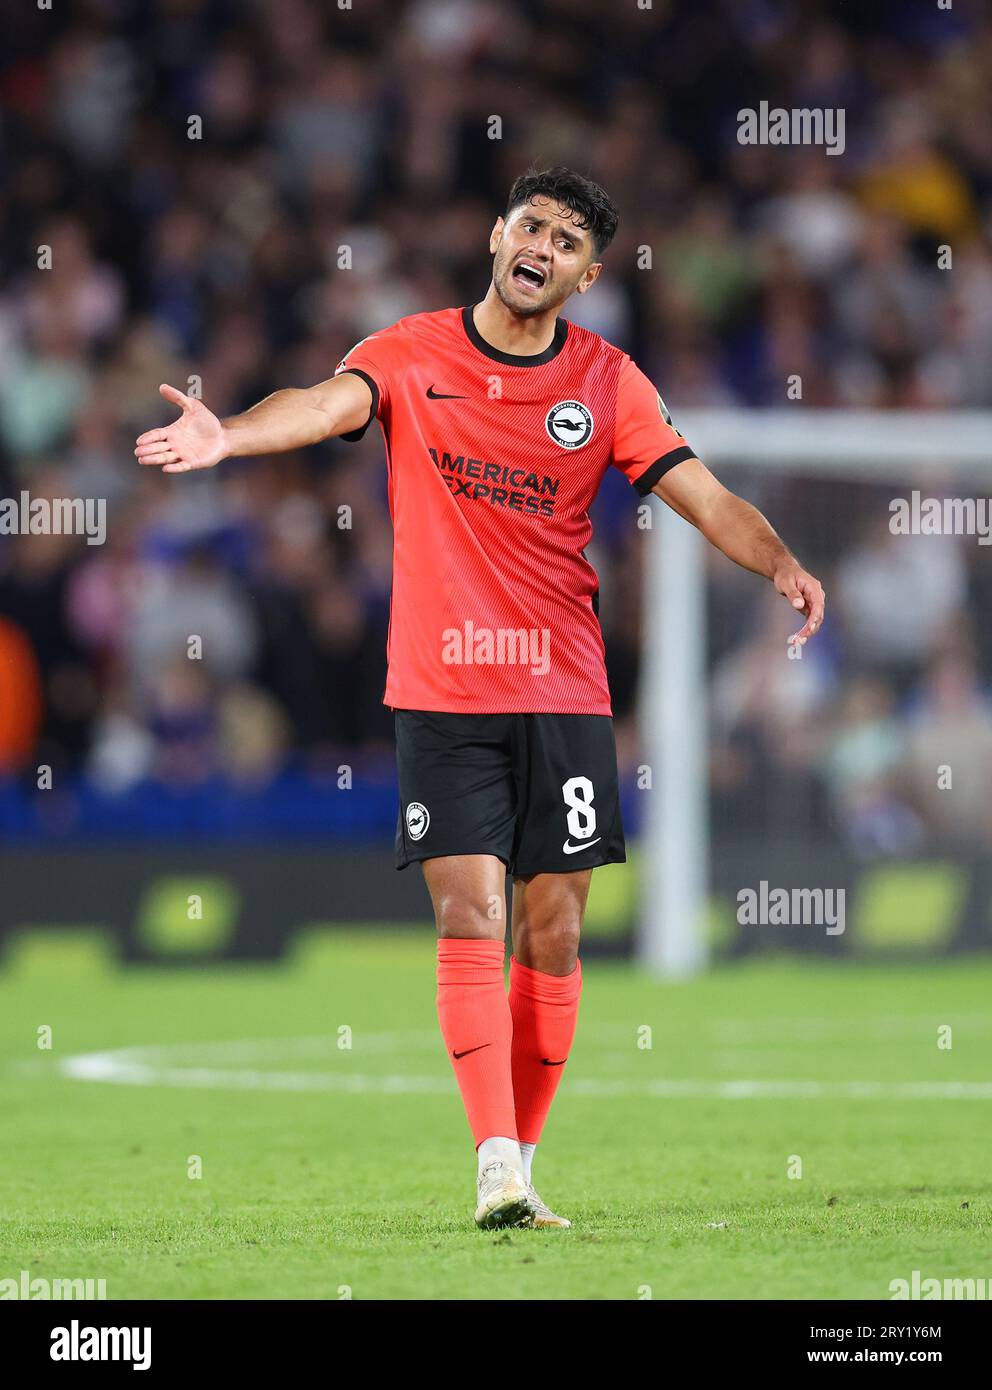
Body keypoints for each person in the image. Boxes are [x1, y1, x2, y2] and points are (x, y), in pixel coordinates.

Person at [135, 166, 825, 1230]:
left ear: (584, 277)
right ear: (500, 233)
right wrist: (230, 434)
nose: (539, 246)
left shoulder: (606, 381)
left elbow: (700, 491)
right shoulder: (407, 351)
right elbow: (320, 407)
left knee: (550, 933)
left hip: (562, 688)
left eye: (563, 241)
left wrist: (776, 562)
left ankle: (525, 1154)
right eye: (530, 225)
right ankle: (494, 1166)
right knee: (470, 912)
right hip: (442, 686)